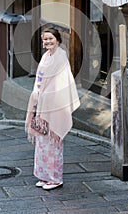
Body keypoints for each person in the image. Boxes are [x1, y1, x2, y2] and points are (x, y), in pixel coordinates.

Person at [25, 27, 80, 190]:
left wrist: (46, 96)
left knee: (53, 144)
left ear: (57, 40)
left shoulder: (61, 58)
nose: (48, 42)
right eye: (45, 39)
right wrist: (37, 96)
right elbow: (40, 80)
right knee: (42, 143)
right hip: (42, 103)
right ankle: (43, 175)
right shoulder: (46, 56)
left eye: (51, 39)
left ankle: (55, 178)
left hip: (54, 105)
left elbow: (61, 84)